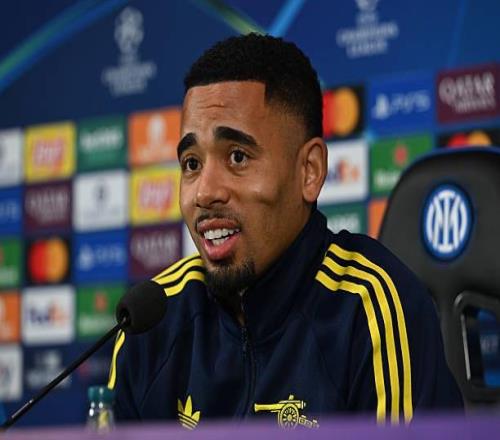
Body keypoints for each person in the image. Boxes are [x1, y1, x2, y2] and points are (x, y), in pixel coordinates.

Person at [108, 33, 463, 428]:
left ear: (309, 171)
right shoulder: (152, 324)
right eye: (191, 163)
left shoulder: (371, 310)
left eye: (237, 157)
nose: (204, 192)